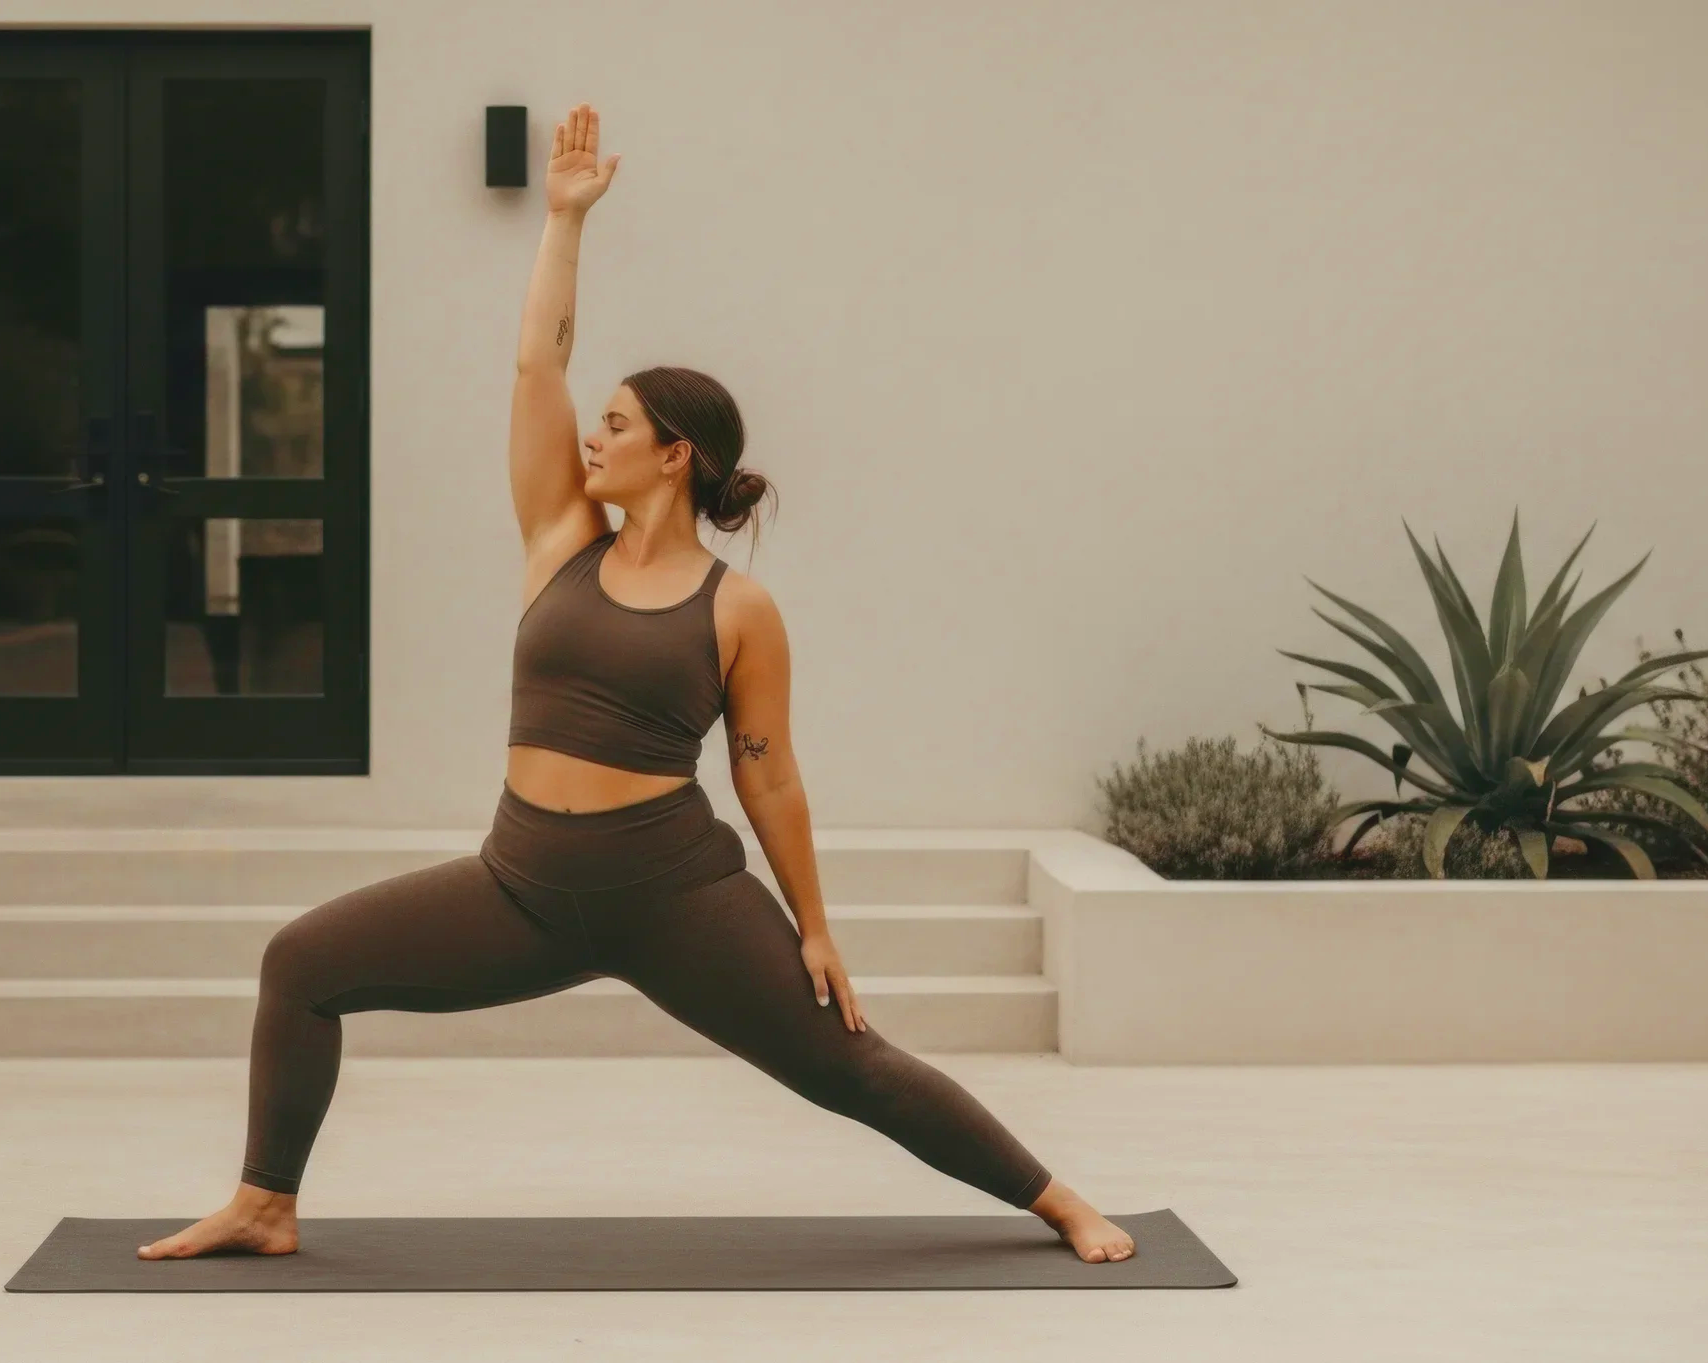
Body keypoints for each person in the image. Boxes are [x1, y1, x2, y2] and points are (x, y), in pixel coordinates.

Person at [140, 103, 1133, 1266]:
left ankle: (1058, 1198)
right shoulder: (561, 537)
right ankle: (265, 1201)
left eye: (616, 426)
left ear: (676, 455)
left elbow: (769, 777)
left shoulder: (740, 609)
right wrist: (563, 222)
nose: (591, 440)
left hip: (675, 891)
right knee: (301, 965)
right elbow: (536, 364)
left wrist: (814, 925)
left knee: (845, 1065)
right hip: (521, 879)